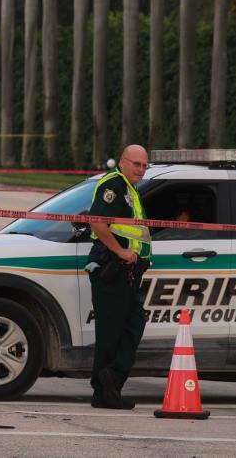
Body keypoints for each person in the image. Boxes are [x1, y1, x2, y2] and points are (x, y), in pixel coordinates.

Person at [85, 143, 151, 409]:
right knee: (112, 332)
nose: (141, 169)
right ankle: (105, 388)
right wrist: (120, 251)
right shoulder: (114, 185)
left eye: (145, 165)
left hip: (125, 272)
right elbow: (97, 221)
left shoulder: (129, 188)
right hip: (111, 266)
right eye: (136, 164)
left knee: (131, 324)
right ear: (122, 162)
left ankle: (107, 386)